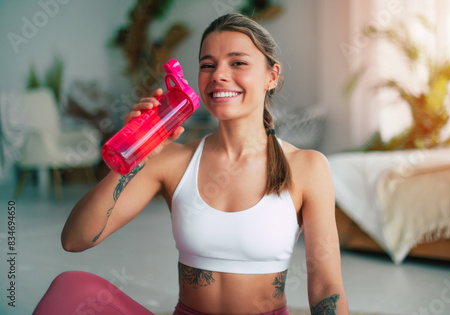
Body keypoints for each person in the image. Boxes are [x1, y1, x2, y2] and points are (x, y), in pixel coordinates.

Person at [33, 13, 348, 315]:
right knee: (70, 288)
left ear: (271, 76)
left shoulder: (306, 167)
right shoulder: (172, 160)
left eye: (237, 62)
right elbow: (74, 239)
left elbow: (325, 285)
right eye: (207, 65)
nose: (219, 75)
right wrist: (131, 156)